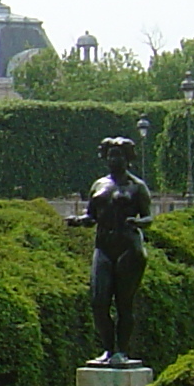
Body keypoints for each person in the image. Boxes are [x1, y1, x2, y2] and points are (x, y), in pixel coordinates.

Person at [67, 136, 154, 366]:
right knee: (98, 301)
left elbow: (148, 217)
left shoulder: (137, 186)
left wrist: (139, 223)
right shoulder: (98, 185)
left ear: (128, 159)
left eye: (119, 156)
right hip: (103, 247)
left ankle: (122, 351)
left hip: (129, 248)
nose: (114, 160)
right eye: (111, 155)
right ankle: (107, 349)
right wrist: (79, 220)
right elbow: (92, 215)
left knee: (124, 302)